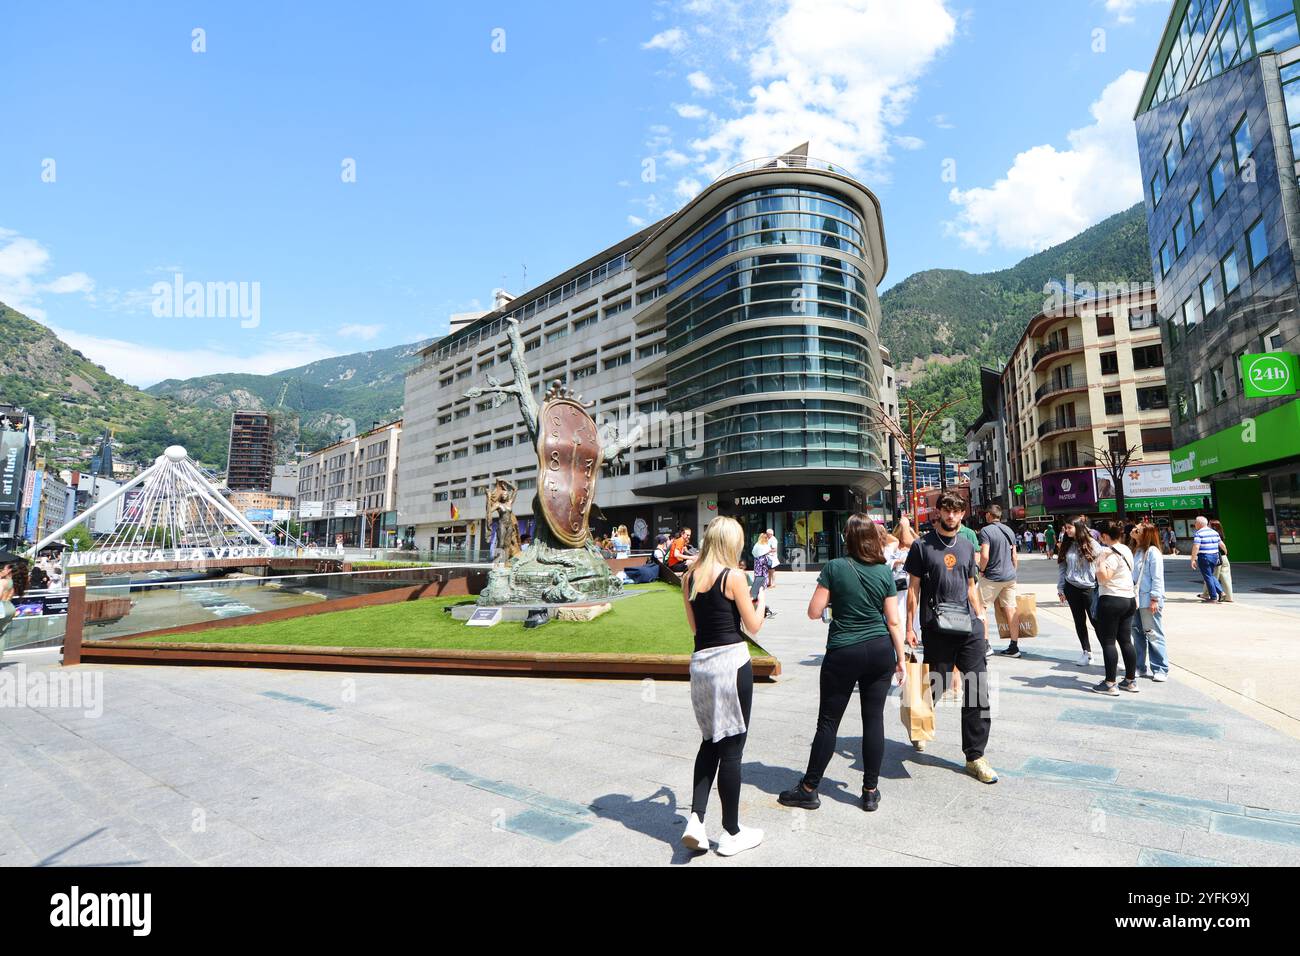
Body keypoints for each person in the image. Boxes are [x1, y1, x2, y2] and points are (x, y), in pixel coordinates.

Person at [779, 514, 905, 813]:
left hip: (843, 650)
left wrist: (837, 600)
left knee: (828, 721)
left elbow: (813, 611)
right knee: (873, 720)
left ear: (847, 538)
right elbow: (894, 620)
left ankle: (809, 789)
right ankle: (870, 791)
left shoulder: (834, 567)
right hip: (879, 650)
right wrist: (901, 658)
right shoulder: (883, 572)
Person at [679, 516, 766, 857]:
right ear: (731, 543)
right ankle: (731, 831)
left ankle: (696, 821)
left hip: (701, 666)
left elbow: (693, 626)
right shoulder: (735, 577)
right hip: (731, 664)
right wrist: (761, 600)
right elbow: (754, 626)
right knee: (732, 748)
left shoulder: (689, 578)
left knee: (709, 743)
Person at [904, 492, 997, 783]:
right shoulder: (922, 546)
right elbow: (913, 589)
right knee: (939, 681)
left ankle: (975, 756)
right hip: (937, 626)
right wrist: (910, 627)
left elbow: (971, 585)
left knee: (977, 687)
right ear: (938, 512)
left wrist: (981, 615)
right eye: (947, 511)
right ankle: (918, 716)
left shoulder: (968, 546)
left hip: (968, 626)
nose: (952, 517)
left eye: (957, 512)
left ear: (963, 514)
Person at [1091, 520, 1139, 696]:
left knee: (1109, 642)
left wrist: (1099, 561)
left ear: (1104, 536)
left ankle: (1110, 683)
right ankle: (1130, 681)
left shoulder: (1108, 553)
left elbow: (1104, 578)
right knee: (1126, 640)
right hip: (1129, 600)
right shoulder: (1126, 549)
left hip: (1112, 600)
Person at [978, 505, 1022, 658]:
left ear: (989, 515)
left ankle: (986, 645)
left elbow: (984, 555)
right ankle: (1014, 646)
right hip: (1009, 576)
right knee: (1011, 609)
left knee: (981, 608)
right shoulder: (1009, 530)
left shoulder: (986, 531)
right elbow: (1014, 556)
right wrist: (1012, 572)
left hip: (992, 576)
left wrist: (982, 570)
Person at [1057, 519, 1099, 666]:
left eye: (1069, 527)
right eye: (1065, 528)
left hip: (1090, 589)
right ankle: (1086, 652)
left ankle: (1109, 653)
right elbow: (1062, 568)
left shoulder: (1093, 544)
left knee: (1097, 622)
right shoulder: (1066, 544)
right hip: (1071, 588)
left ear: (1078, 527)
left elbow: (1102, 565)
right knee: (1079, 621)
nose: (1066, 531)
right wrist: (1060, 588)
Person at [1130, 522, 1168, 682]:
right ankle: (1139, 666)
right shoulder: (1135, 550)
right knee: (1137, 633)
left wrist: (1155, 599)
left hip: (1148, 600)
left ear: (1145, 534)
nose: (1133, 530)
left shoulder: (1153, 552)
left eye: (1137, 529)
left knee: (1152, 634)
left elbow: (1157, 577)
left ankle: (1160, 668)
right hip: (1135, 600)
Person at [1190, 516, 1225, 603]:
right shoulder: (1214, 532)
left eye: (1195, 523)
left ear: (1199, 524)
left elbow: (1196, 546)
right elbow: (1221, 543)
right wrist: (1225, 550)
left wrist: (1193, 559)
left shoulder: (1199, 533)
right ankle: (1221, 592)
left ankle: (1213, 597)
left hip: (1204, 557)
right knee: (1210, 575)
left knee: (1208, 576)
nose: (1195, 524)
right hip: (1214, 556)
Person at [1199, 519, 1234, 602]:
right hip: (1224, 557)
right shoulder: (1221, 533)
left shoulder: (1212, 534)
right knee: (1226, 578)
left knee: (1211, 576)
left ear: (1213, 526)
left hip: (1216, 557)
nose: (1208, 525)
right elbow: (1223, 546)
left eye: (1209, 524)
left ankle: (1206, 594)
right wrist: (1225, 552)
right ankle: (1229, 597)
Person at [1, 557, 30, 651]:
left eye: (3, 568)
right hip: (9, 608)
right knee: (1, 636)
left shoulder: (3, 582)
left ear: (9, 570)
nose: (2, 570)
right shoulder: (15, 583)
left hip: (1, 607)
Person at [750, 532, 776, 619]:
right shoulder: (765, 545)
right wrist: (769, 552)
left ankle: (758, 602)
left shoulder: (756, 545)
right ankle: (761, 606)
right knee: (762, 586)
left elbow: (753, 553)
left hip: (757, 566)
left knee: (757, 582)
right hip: (763, 567)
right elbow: (767, 553)